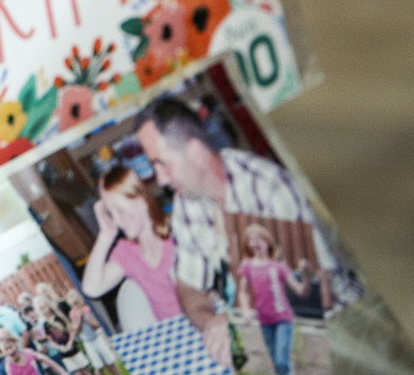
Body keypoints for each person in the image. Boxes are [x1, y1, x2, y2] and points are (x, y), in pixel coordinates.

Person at [135, 96, 345, 370]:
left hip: (336, 330)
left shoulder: (267, 188)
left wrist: (239, 319)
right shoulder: (188, 203)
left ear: (196, 152)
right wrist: (211, 323)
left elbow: (318, 296)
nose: (160, 179)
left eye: (162, 163)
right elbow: (188, 286)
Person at [79, 165, 181, 322]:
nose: (118, 221)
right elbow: (92, 289)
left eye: (120, 210)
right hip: (170, 333)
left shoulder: (177, 237)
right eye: (111, 213)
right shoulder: (127, 251)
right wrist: (106, 234)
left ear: (141, 201)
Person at [238, 224, 310, 375]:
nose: (255, 243)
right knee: (277, 365)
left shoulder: (279, 266)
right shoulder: (247, 266)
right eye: (251, 240)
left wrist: (305, 274)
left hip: (283, 319)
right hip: (265, 322)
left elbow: (301, 291)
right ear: (248, 245)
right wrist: (245, 311)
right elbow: (243, 292)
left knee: (281, 362)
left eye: (259, 239)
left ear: (267, 242)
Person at [64, 289, 120, 375]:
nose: (72, 299)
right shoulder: (72, 313)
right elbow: (77, 330)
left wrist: (85, 318)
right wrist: (79, 319)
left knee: (110, 362)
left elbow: (96, 325)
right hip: (88, 342)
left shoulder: (86, 308)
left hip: (97, 338)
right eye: (69, 298)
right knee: (99, 367)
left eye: (73, 296)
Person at [0, 328, 71, 375]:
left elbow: (45, 359)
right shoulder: (10, 367)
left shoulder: (27, 353)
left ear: (16, 343)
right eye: (6, 349)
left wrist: (62, 371)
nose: (10, 351)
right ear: (1, 351)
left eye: (10, 347)